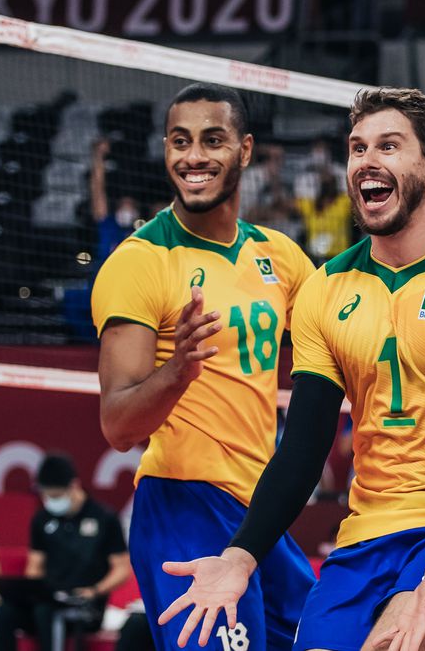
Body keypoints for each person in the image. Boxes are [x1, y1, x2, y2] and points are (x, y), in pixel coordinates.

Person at [159, 87, 425, 651]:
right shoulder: (324, 290)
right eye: (358, 148)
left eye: (389, 146)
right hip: (368, 532)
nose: (368, 161)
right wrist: (239, 558)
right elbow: (303, 450)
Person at [91, 82, 317, 651]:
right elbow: (118, 427)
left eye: (211, 141)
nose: (193, 157)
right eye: (180, 141)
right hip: (183, 502)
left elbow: (354, 341)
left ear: (244, 151)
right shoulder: (140, 263)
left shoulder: (280, 256)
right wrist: (177, 370)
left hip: (258, 513)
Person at [0, 454, 130, 651]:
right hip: (48, 599)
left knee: (46, 612)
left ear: (74, 485)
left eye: (55, 496)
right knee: (4, 613)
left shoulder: (104, 518)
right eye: (46, 495)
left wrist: (94, 591)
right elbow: (35, 565)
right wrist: (30, 592)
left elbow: (122, 569)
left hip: (85, 605)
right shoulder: (42, 519)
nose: (50, 501)